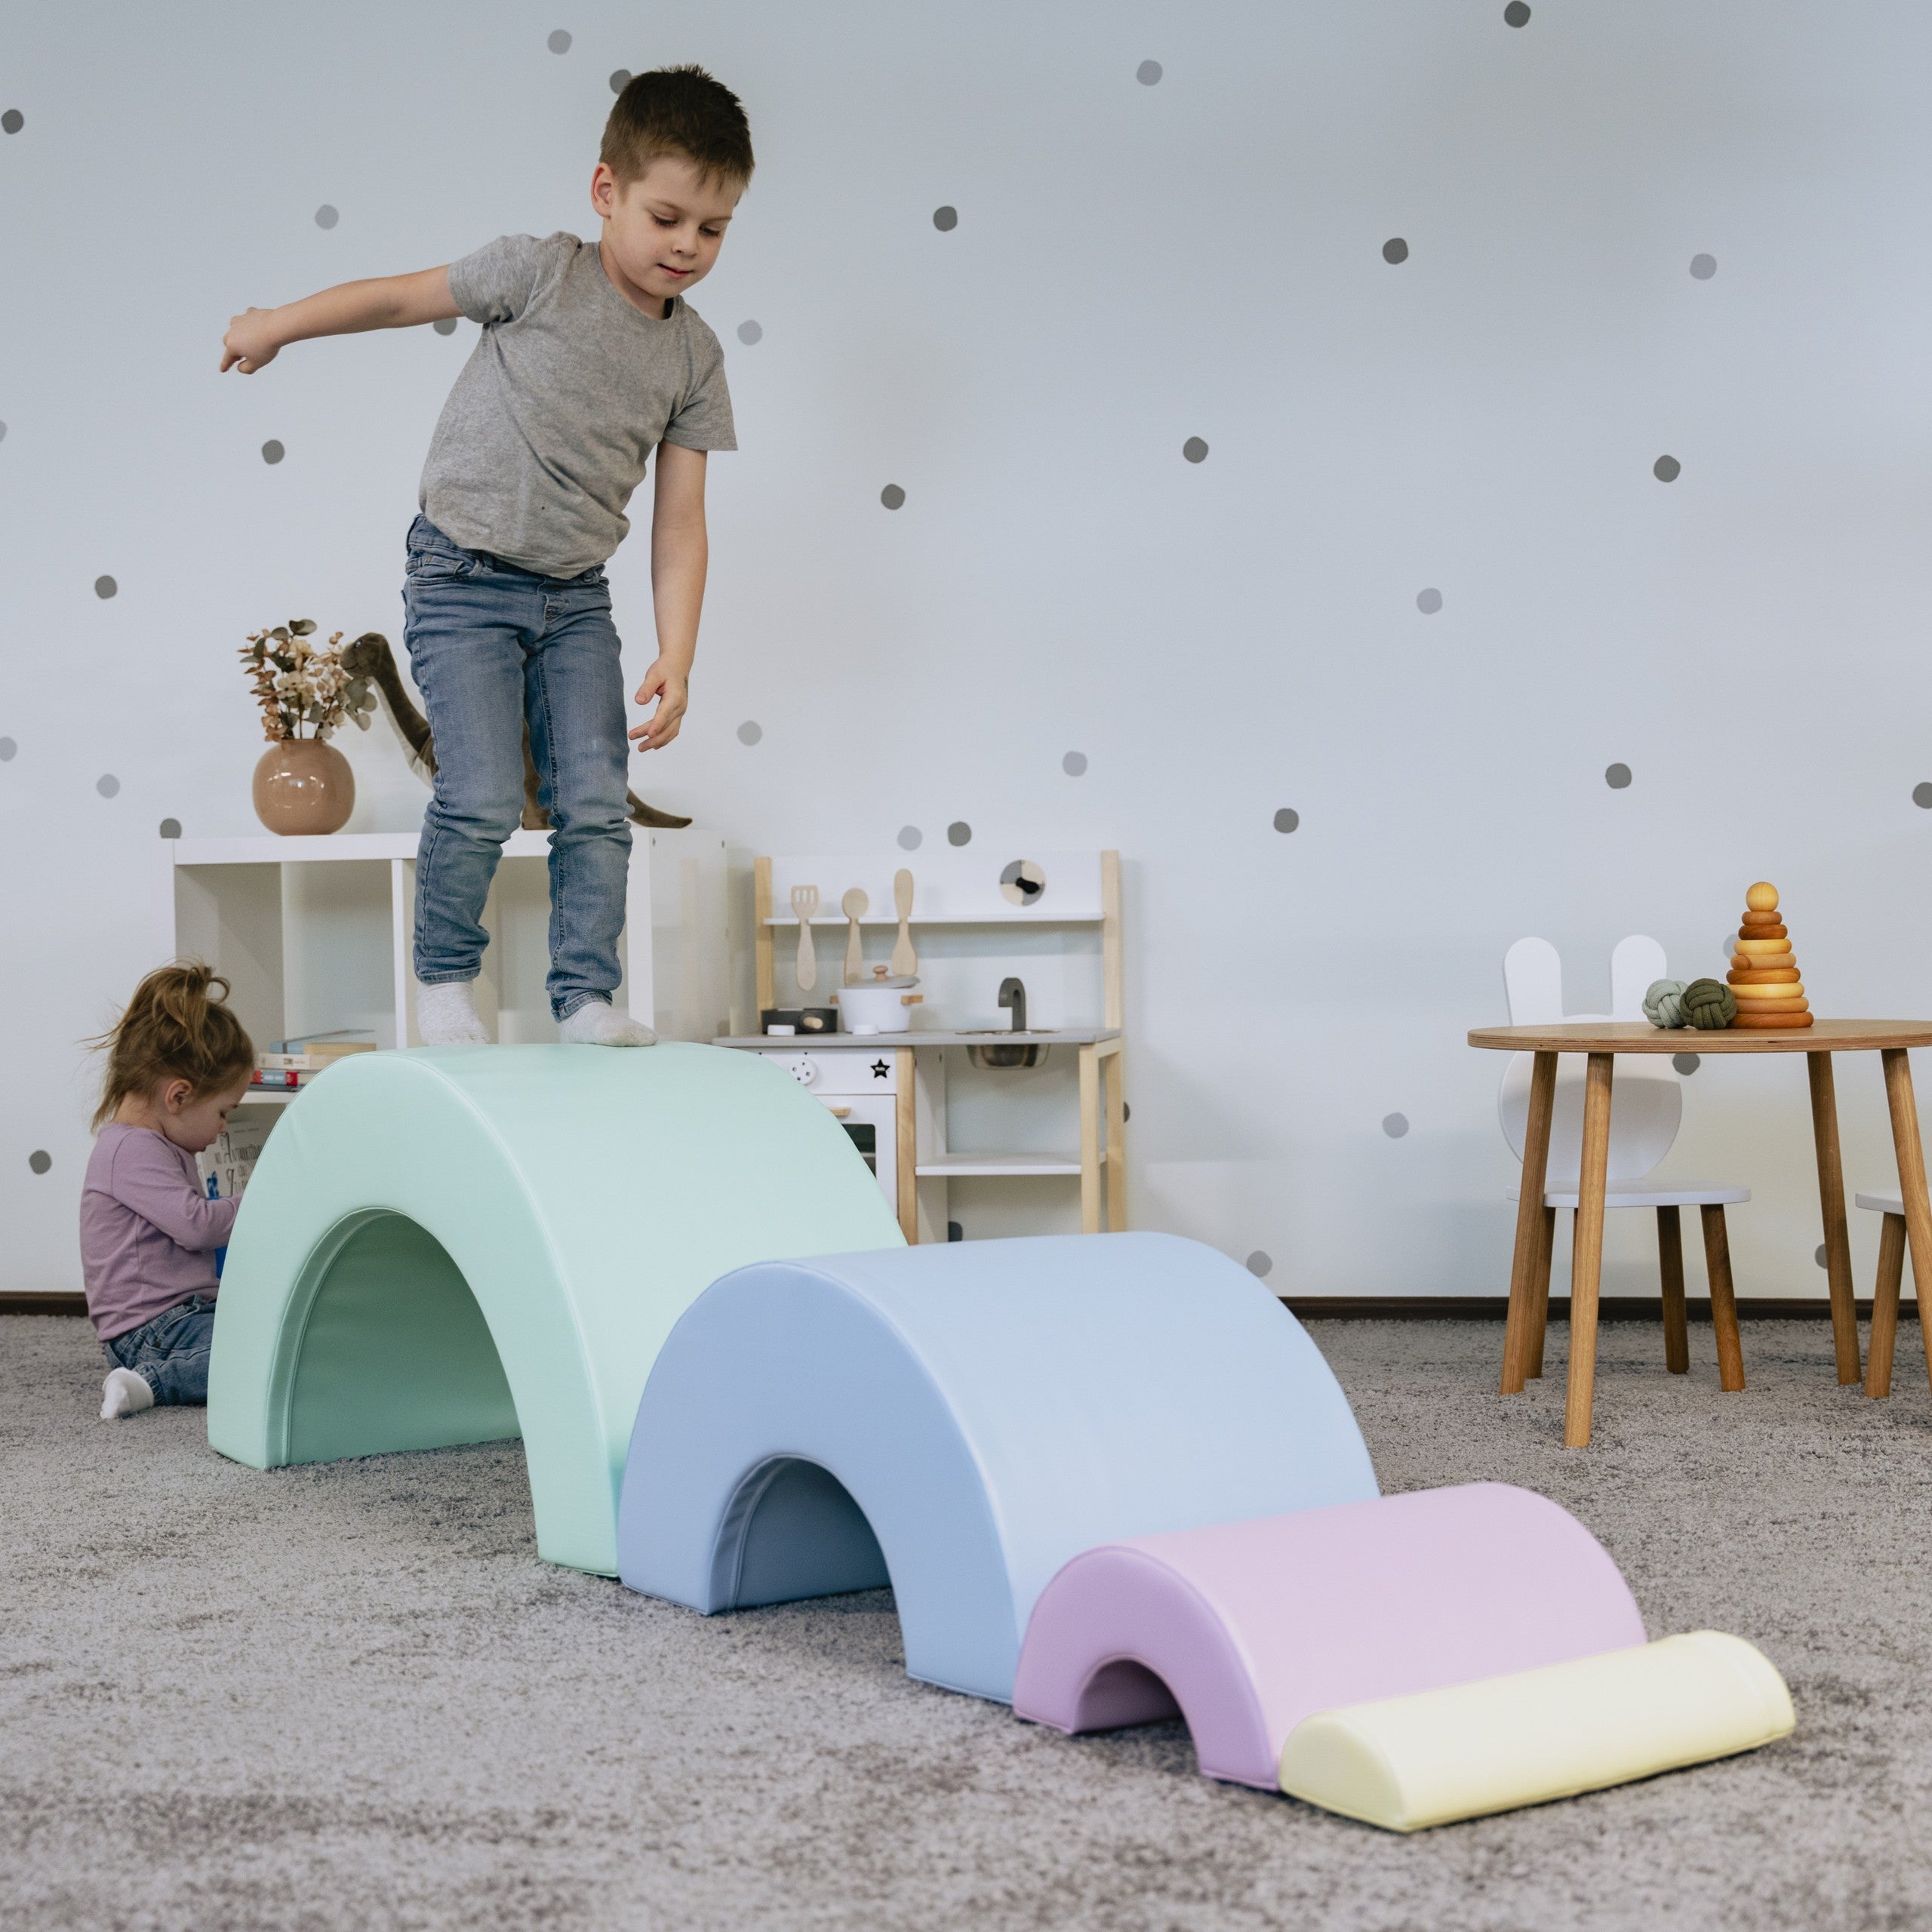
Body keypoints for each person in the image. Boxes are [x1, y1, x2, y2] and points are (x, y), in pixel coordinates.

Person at [217, 66, 753, 1045]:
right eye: (667, 217)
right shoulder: (536, 272)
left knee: (596, 804)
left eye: (712, 229)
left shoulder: (695, 358)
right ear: (606, 191)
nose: (688, 245)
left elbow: (681, 522)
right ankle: (445, 980)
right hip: (461, 578)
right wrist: (276, 327)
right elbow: (396, 299)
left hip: (575, 599)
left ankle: (584, 996)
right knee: (480, 796)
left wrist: (678, 653)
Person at [82, 964, 256, 1420]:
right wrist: (262, 1199)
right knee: (261, 1354)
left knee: (278, 1334)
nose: (223, 1128)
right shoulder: (131, 1149)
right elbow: (197, 1228)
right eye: (223, 1112)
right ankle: (152, 1382)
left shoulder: (156, 1144)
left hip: (182, 1318)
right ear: (178, 1097)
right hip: (150, 1331)